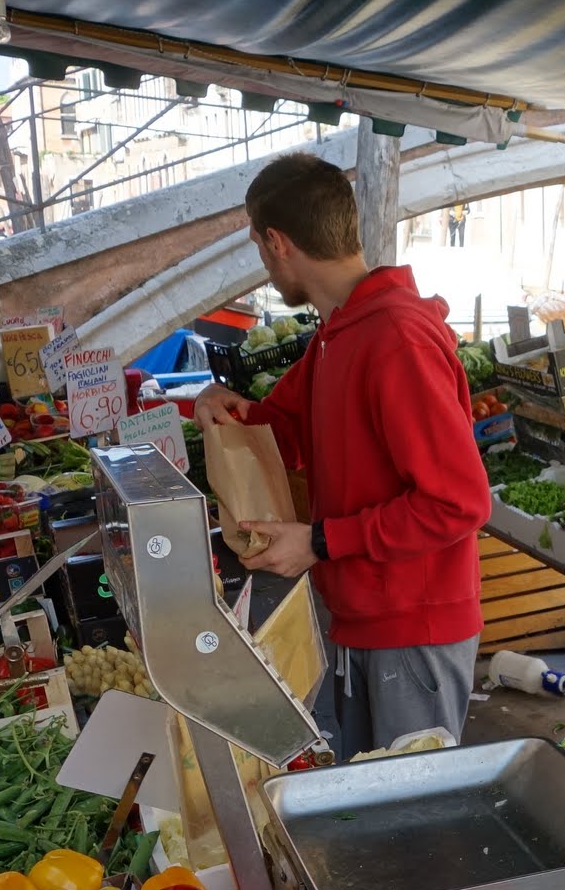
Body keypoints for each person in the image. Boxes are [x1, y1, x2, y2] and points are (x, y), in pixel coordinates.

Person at [191, 153, 491, 752]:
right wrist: (218, 406)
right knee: (362, 815)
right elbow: (279, 430)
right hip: (355, 614)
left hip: (413, 629)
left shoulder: (397, 338)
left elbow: (459, 503)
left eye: (258, 247)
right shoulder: (336, 334)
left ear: (277, 242)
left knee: (412, 822)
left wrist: (320, 541)